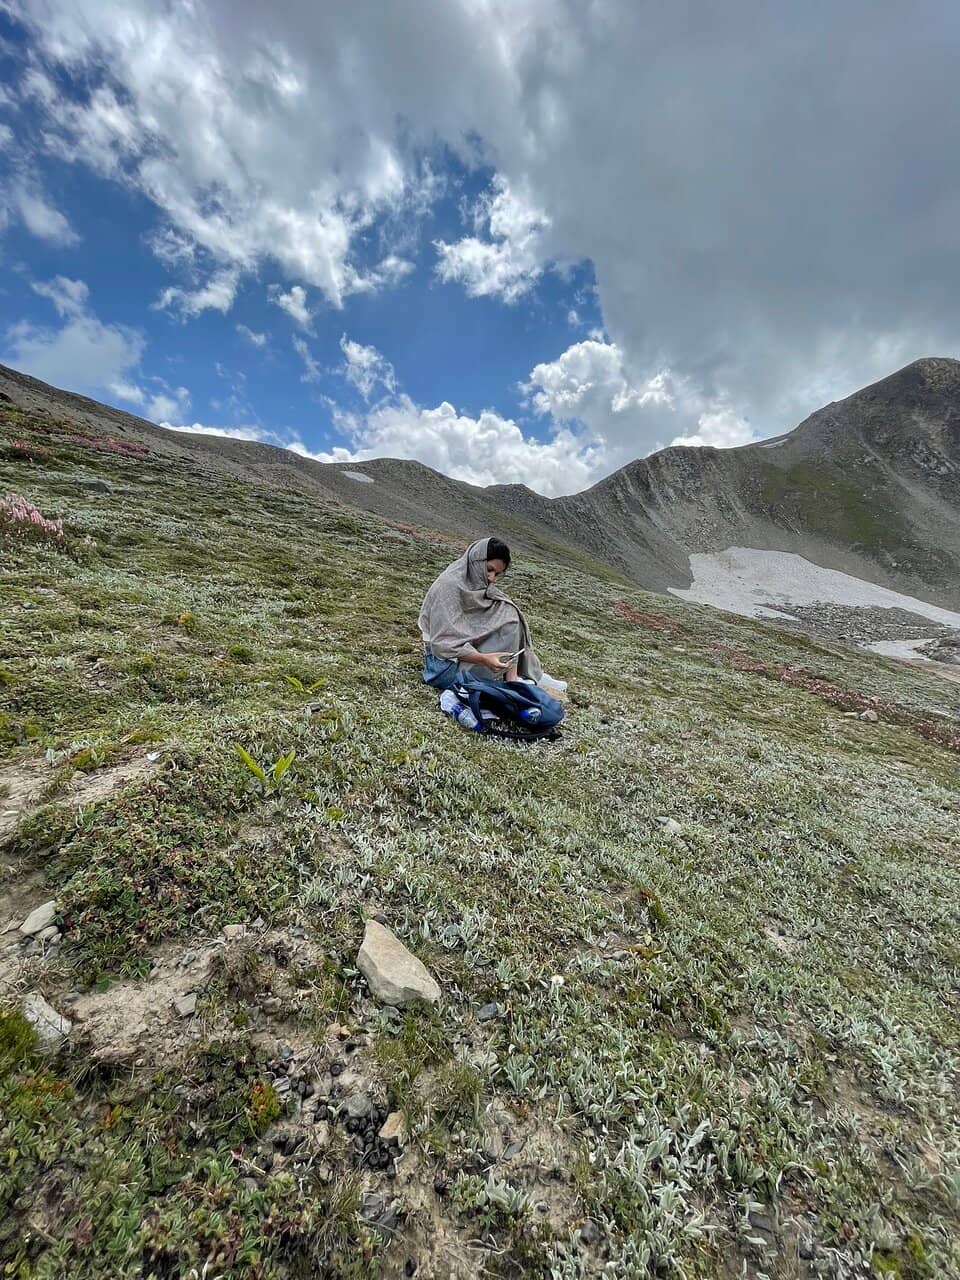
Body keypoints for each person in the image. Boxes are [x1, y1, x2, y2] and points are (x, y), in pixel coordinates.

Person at [419, 537, 544, 691]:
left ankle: (513, 679)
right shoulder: (449, 586)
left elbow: (507, 615)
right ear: (476, 562)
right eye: (489, 569)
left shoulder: (478, 586)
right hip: (443, 668)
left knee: (508, 613)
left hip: (464, 659)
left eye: (497, 574)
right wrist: (484, 659)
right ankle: (517, 681)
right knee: (507, 619)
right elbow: (443, 645)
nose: (491, 578)